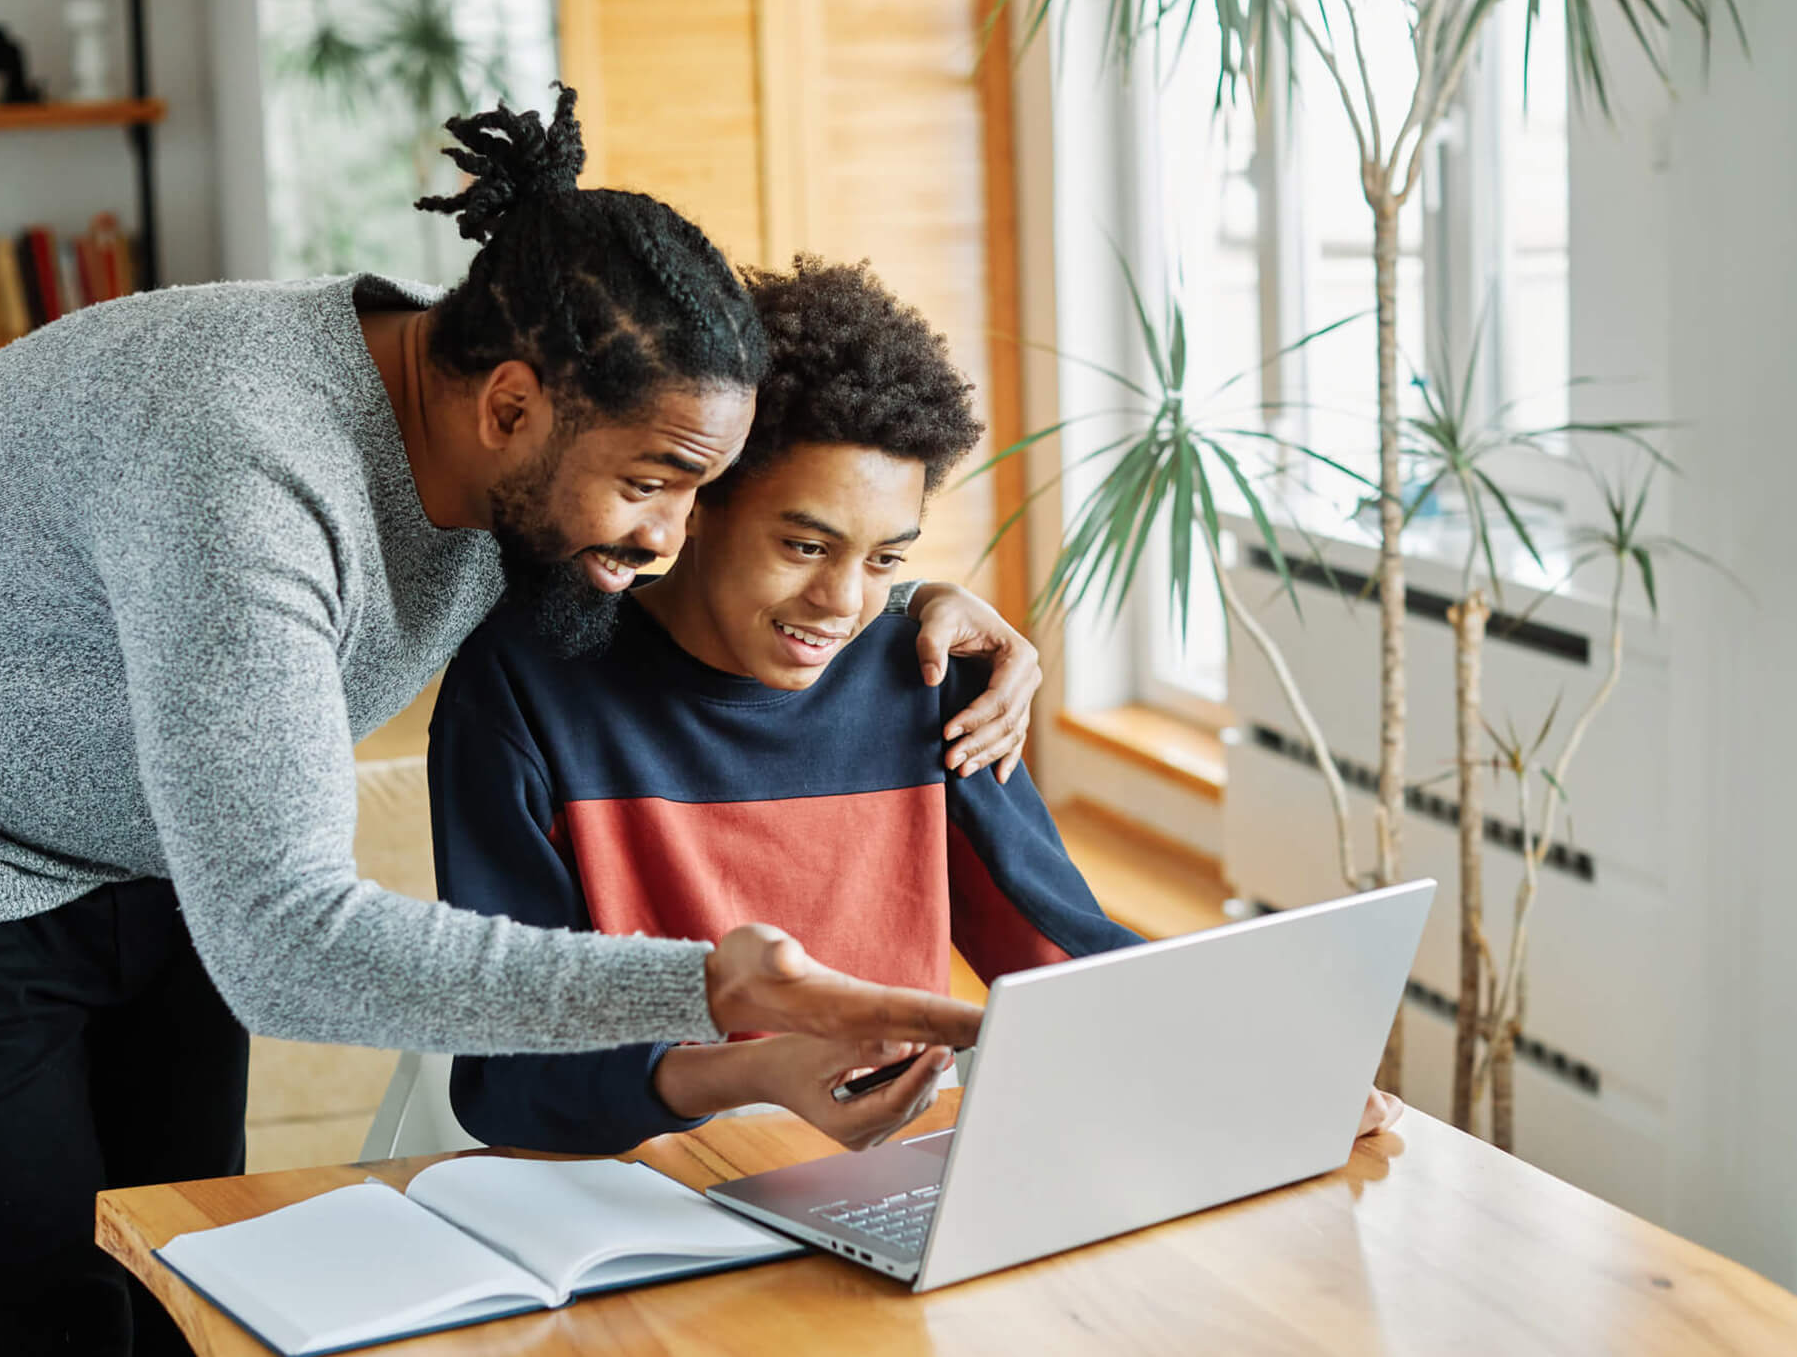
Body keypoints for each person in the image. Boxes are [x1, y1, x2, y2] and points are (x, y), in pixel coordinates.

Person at [0, 91, 1025, 1357]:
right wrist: (713, 987)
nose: (663, 535)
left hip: (160, 834)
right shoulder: (248, 473)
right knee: (44, 1317)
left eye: (692, 492)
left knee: (181, 1268)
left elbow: (720, 570)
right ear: (509, 406)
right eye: (652, 486)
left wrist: (910, 607)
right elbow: (285, 947)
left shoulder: (539, 432)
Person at [431, 257, 1405, 1155]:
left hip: (882, 1190)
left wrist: (1261, 1064)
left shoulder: (931, 673)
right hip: (631, 1193)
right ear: (698, 499)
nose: (844, 603)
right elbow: (511, 1080)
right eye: (805, 547)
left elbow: (1059, 953)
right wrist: (755, 1071)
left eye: (887, 558)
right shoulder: (523, 690)